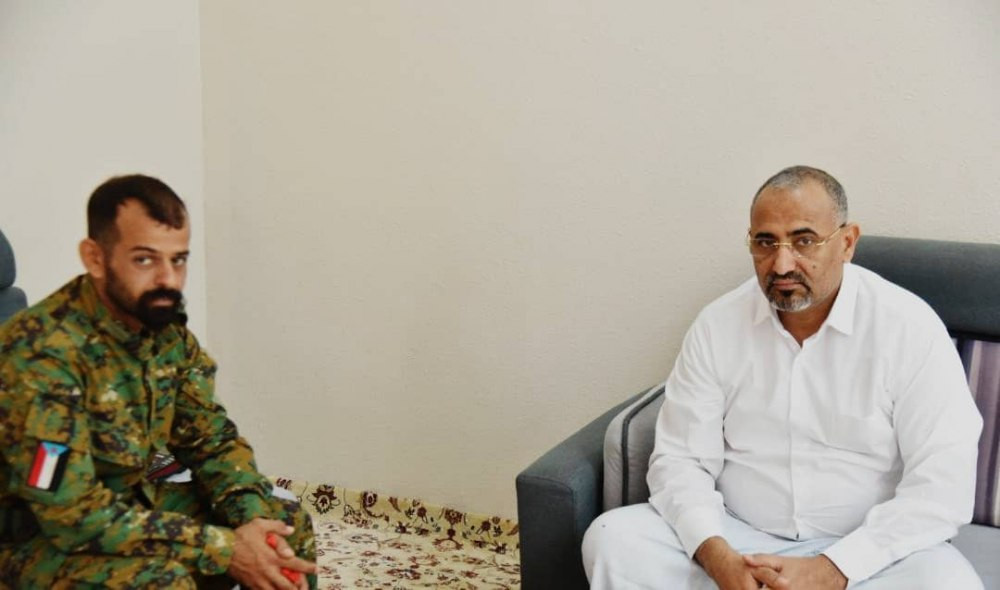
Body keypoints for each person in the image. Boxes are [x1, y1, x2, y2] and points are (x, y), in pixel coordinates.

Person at [582, 166, 984, 589]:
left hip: (865, 551)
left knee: (949, 583)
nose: (782, 263)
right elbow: (681, 460)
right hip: (739, 537)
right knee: (614, 540)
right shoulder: (718, 325)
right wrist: (719, 559)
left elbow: (942, 486)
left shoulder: (909, 328)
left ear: (847, 242)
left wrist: (832, 570)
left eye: (804, 240)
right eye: (765, 242)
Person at [0, 175, 318, 589]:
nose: (168, 279)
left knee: (283, 526)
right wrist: (224, 548)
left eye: (178, 260)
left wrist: (252, 520)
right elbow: (70, 514)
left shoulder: (163, 331)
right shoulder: (41, 354)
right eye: (145, 260)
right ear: (95, 258)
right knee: (162, 581)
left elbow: (211, 439)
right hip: (31, 539)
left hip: (126, 507)